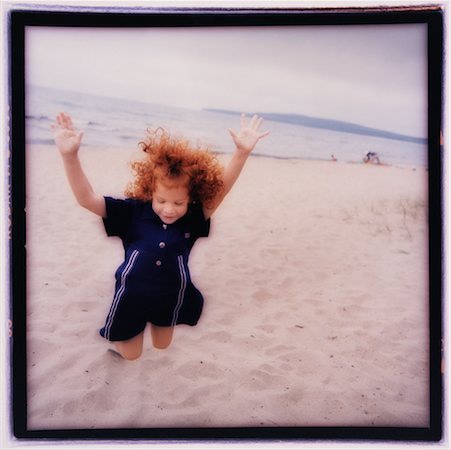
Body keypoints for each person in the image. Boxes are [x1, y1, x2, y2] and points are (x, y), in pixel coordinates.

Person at [52, 112, 269, 360]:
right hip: (131, 297)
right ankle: (122, 346)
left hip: (171, 296)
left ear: (191, 198)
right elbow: (87, 199)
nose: (169, 209)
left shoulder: (193, 218)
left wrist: (241, 153)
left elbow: (222, 191)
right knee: (131, 355)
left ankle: (152, 327)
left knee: (162, 344)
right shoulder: (132, 212)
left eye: (179, 202)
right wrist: (69, 156)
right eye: (161, 200)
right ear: (149, 190)